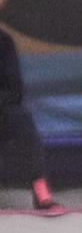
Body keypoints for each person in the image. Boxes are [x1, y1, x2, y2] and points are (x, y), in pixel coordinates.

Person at [0, 27, 63, 214]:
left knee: (22, 119)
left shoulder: (4, 41)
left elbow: (15, 90)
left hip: (2, 109)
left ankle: (41, 191)